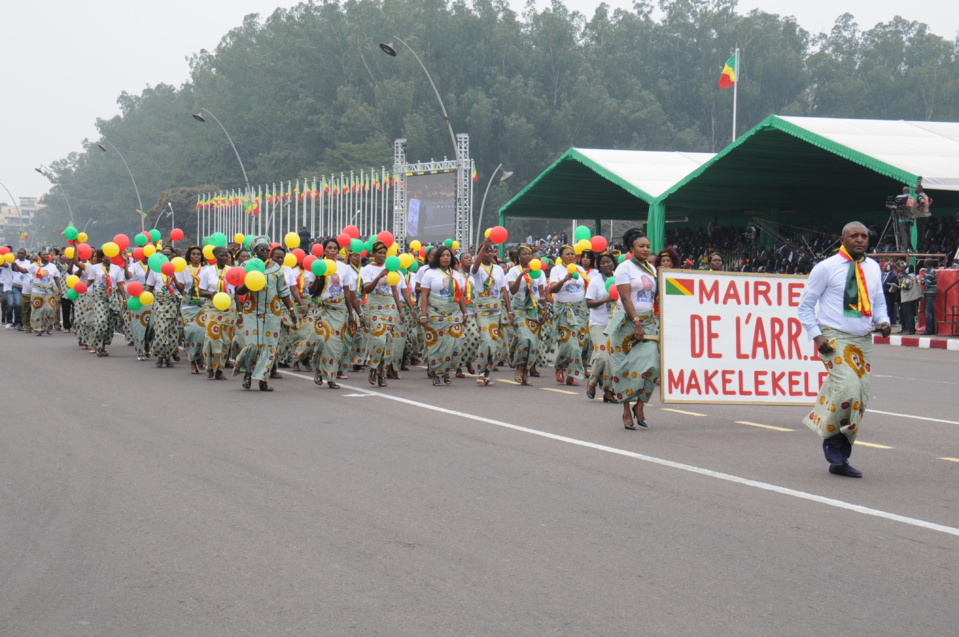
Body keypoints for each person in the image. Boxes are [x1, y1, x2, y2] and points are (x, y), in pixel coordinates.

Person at [798, 221, 890, 478]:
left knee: (860, 398)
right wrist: (817, 336)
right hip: (833, 338)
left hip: (862, 340)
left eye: (863, 236)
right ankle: (831, 440)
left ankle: (841, 459)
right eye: (853, 236)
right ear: (843, 239)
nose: (860, 240)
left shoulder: (873, 267)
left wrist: (884, 322)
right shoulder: (825, 268)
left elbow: (879, 301)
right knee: (848, 388)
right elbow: (805, 307)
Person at [604, 229, 660, 430]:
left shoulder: (651, 269)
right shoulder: (624, 268)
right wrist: (635, 322)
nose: (646, 249)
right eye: (641, 246)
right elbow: (626, 298)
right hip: (626, 322)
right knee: (623, 367)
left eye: (647, 246)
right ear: (631, 248)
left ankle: (640, 405)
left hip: (648, 321)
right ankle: (626, 411)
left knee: (653, 364)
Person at [233, 236, 298, 391]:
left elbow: (283, 291)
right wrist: (250, 281)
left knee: (269, 346)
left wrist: (291, 310)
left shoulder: (276, 268)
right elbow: (238, 290)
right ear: (253, 251)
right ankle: (248, 372)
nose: (264, 251)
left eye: (266, 249)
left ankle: (263, 379)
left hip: (272, 312)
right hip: (252, 311)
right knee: (253, 345)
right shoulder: (246, 266)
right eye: (260, 249)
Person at [309, 238, 360, 389]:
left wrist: (350, 313)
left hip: (339, 310)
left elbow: (347, 292)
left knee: (336, 344)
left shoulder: (344, 268)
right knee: (322, 341)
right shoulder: (318, 266)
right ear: (324, 250)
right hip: (322, 309)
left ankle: (331, 377)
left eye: (335, 248)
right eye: (329, 248)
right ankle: (318, 369)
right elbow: (311, 291)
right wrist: (318, 279)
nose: (332, 251)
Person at [359, 240, 406, 387]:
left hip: (390, 306)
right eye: (379, 253)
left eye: (384, 253)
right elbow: (367, 289)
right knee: (378, 340)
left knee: (388, 342)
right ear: (373, 254)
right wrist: (379, 276)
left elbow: (395, 291)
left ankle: (382, 373)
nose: (382, 256)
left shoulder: (391, 268)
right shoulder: (367, 269)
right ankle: (373, 367)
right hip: (375, 306)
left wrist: (401, 310)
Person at [419, 245, 467, 386]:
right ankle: (436, 374)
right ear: (437, 258)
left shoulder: (457, 275)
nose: (446, 258)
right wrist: (423, 315)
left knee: (455, 343)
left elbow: (461, 296)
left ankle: (446, 371)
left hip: (454, 313)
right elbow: (424, 295)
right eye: (443, 255)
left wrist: (464, 312)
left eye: (448, 255)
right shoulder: (430, 273)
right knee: (437, 345)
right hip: (435, 313)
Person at [470, 237, 512, 386]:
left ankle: (487, 374)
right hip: (482, 309)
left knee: (495, 344)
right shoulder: (477, 268)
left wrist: (509, 309)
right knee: (486, 341)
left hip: (496, 309)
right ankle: (480, 372)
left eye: (491, 250)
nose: (489, 253)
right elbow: (475, 268)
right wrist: (484, 245)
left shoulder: (499, 269)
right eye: (486, 251)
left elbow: (503, 290)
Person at [506, 245, 547, 386]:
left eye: (529, 254)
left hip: (534, 309)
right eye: (524, 254)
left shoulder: (539, 272)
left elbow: (541, 293)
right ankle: (518, 367)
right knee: (525, 338)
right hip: (519, 308)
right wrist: (521, 275)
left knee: (533, 342)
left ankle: (525, 372)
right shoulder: (513, 271)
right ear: (518, 256)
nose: (527, 256)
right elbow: (512, 290)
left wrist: (545, 310)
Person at [548, 244, 589, 386]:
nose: (571, 256)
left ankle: (571, 375)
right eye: (567, 254)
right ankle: (559, 367)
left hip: (580, 310)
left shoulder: (581, 270)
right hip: (564, 310)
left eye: (573, 254)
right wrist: (564, 279)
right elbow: (552, 289)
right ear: (561, 257)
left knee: (579, 343)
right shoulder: (556, 270)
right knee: (570, 344)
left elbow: (586, 289)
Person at [198, 246, 236, 380]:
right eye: (222, 255)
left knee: (225, 340)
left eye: (227, 255)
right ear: (215, 256)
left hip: (229, 308)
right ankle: (209, 366)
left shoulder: (233, 271)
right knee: (212, 336)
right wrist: (210, 293)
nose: (225, 258)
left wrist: (241, 312)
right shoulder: (207, 272)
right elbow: (200, 291)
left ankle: (220, 369)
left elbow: (237, 293)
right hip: (212, 307)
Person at [584, 251, 616, 402]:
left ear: (613, 263)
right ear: (598, 265)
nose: (606, 265)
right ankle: (592, 381)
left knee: (612, 359)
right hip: (598, 324)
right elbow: (589, 303)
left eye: (608, 262)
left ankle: (609, 392)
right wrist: (606, 300)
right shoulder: (596, 281)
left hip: (616, 324)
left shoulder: (620, 279)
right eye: (602, 263)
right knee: (603, 355)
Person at [178, 246, 207, 374]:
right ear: (189, 255)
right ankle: (192, 361)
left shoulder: (207, 270)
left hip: (202, 304)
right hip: (188, 305)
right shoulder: (183, 269)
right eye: (193, 254)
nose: (196, 256)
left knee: (202, 332)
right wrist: (173, 276)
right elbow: (181, 288)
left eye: (198, 254)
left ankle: (199, 357)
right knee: (190, 332)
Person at [899, 265, 921, 334]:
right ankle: (909, 329)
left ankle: (910, 329)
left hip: (908, 297)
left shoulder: (909, 277)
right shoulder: (911, 276)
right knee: (909, 314)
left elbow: (907, 286)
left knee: (909, 315)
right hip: (910, 297)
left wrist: (900, 285)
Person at [921, 258, 938, 335]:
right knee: (929, 312)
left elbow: (926, 283)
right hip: (928, 293)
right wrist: (923, 281)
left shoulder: (931, 272)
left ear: (927, 263)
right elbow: (923, 281)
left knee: (929, 312)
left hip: (931, 293)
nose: (924, 263)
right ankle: (930, 328)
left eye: (925, 262)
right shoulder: (927, 271)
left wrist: (923, 281)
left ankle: (929, 329)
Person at [881, 262, 900, 327]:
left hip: (889, 296)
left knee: (889, 310)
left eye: (884, 266)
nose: (883, 268)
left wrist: (884, 290)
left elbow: (894, 288)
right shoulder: (882, 275)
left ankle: (889, 323)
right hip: (882, 296)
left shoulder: (893, 276)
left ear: (888, 267)